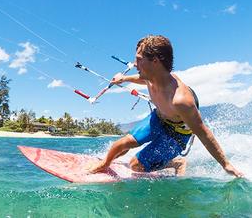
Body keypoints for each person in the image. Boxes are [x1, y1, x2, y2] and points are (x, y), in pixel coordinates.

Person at [90, 35, 243, 178]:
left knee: (135, 166)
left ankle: (176, 162)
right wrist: (123, 78)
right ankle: (104, 164)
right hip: (159, 118)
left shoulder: (180, 100)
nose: (135, 64)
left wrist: (226, 164)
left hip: (177, 134)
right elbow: (142, 79)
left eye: (138, 59)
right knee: (122, 145)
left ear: (155, 61)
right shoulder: (151, 77)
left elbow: (204, 133)